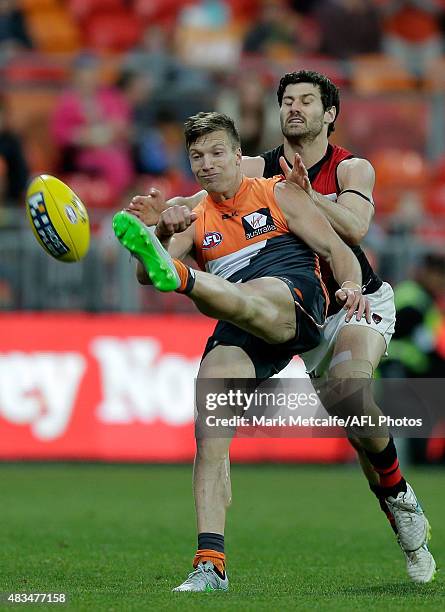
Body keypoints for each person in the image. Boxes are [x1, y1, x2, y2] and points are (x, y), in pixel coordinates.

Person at [127, 71, 436, 584]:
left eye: (307, 101)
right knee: (213, 410)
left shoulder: (351, 167)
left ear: (330, 113)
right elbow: (213, 181)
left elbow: (354, 230)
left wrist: (303, 195)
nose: (294, 108)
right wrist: (164, 223)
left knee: (350, 397)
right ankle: (210, 564)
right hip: (284, 296)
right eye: (287, 100)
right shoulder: (257, 166)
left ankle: (398, 495)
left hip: (350, 298)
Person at [114, 111, 371, 592]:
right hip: (240, 319)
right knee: (209, 417)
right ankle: (210, 565)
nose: (207, 164)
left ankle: (187, 279)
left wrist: (352, 287)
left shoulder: (276, 191)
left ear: (238, 155)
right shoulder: (189, 211)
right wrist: (161, 236)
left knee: (255, 294)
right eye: (196, 156)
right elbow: (145, 276)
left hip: (292, 300)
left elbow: (339, 252)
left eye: (216, 153)